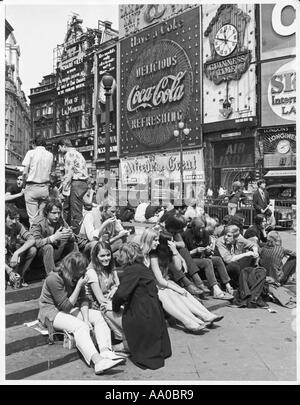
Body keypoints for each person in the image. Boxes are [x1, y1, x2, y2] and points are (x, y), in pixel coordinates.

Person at [38, 252, 125, 375]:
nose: (84, 272)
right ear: (72, 269)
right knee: (80, 326)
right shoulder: (53, 278)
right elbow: (66, 307)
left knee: (99, 316)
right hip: (51, 312)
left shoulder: (78, 275)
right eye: (81, 269)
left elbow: (83, 299)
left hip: (68, 308)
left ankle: (105, 351)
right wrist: (79, 285)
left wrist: (86, 318)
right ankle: (98, 361)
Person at [141, 228, 223, 333]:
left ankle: (204, 315)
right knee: (170, 293)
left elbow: (179, 269)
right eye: (155, 240)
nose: (172, 243)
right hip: (150, 286)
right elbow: (159, 280)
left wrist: (175, 252)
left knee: (180, 293)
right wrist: (177, 289)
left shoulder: (162, 252)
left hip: (160, 283)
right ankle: (189, 321)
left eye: (157, 240)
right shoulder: (150, 255)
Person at [112, 242, 172, 370]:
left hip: (143, 311)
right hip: (153, 309)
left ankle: (124, 343)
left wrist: (114, 307)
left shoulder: (131, 270)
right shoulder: (142, 267)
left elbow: (121, 295)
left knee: (114, 313)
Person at [85, 241, 128, 352]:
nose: (106, 258)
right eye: (102, 256)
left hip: (111, 299)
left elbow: (118, 285)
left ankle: (127, 341)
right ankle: (124, 341)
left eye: (108, 255)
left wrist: (114, 289)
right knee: (119, 316)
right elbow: (100, 300)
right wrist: (114, 303)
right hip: (97, 304)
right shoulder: (91, 271)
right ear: (96, 257)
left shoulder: (110, 265)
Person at [183, 218, 234, 298]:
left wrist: (208, 251)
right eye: (199, 228)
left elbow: (207, 253)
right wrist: (195, 251)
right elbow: (184, 254)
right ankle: (216, 289)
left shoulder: (205, 233)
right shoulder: (186, 235)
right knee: (207, 262)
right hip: (190, 260)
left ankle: (228, 286)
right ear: (193, 227)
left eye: (203, 228)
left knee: (217, 259)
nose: (201, 230)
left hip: (201, 257)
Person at [165, 214, 211, 296]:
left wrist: (174, 244)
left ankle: (198, 282)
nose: (181, 230)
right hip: (163, 256)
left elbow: (182, 244)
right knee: (170, 255)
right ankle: (188, 284)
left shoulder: (175, 232)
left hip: (174, 253)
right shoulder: (161, 230)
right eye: (179, 228)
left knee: (183, 250)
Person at [31, 198, 77, 276]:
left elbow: (71, 236)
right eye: (54, 213)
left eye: (59, 213)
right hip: (40, 257)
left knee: (73, 244)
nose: (57, 216)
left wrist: (70, 235)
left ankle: (75, 269)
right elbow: (36, 242)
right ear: (47, 212)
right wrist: (53, 237)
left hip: (56, 254)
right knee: (48, 247)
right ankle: (52, 276)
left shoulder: (60, 221)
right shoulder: (38, 222)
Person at [58, 138, 89, 235]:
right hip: (81, 183)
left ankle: (76, 234)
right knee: (68, 208)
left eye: (59, 148)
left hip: (76, 183)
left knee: (75, 211)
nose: (59, 150)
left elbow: (69, 173)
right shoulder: (77, 153)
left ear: (63, 145)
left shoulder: (69, 154)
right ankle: (68, 228)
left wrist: (62, 189)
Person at [22, 136, 54, 224]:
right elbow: (50, 172)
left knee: (33, 218)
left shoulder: (30, 153)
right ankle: (43, 235)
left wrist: (24, 185)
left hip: (32, 187)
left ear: (34, 144)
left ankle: (35, 236)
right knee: (42, 216)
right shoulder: (50, 155)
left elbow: (25, 173)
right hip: (44, 188)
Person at [5, 206, 37, 287]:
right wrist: (9, 271)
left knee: (32, 250)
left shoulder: (17, 225)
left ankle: (19, 277)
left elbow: (32, 239)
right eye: (11, 218)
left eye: (16, 218)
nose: (14, 221)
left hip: (12, 258)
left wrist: (16, 253)